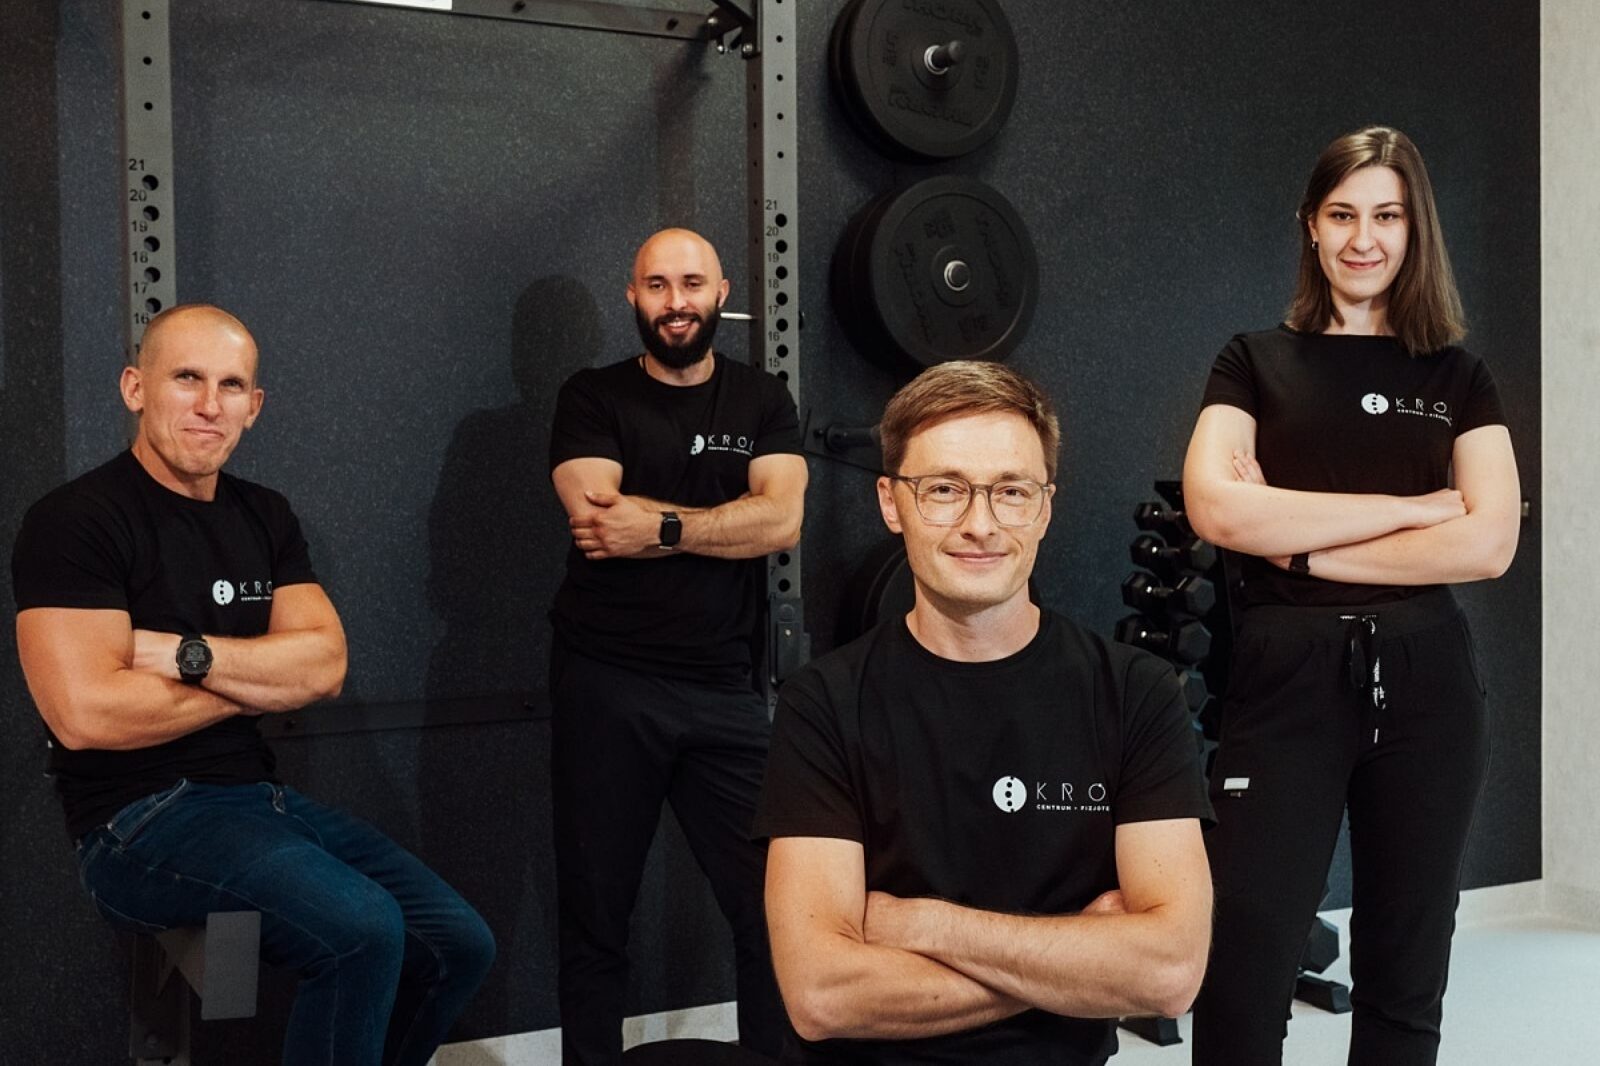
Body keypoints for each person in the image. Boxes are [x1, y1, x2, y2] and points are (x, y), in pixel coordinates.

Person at [11, 304, 495, 1066]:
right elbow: (86, 716)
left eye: (231, 385)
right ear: (136, 388)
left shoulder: (265, 515)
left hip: (257, 801)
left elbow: (323, 667)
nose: (210, 405)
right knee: (364, 928)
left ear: (255, 405)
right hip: (135, 821)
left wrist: (183, 655)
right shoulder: (75, 520)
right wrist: (261, 676)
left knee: (457, 942)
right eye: (187, 378)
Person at [755, 360, 1214, 1065]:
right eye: (944, 490)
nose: (981, 525)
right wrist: (1079, 960)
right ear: (890, 502)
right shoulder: (823, 703)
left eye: (1011, 491)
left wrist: (924, 924)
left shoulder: (1136, 693)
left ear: (1045, 508)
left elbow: (1170, 973)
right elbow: (822, 995)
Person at [1183, 126, 1521, 1066]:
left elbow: (1489, 542)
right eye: (1341, 215)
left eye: (1386, 216)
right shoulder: (1253, 361)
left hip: (1427, 687)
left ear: (1416, 230)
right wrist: (1413, 511)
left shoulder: (1458, 376)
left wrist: (1296, 545)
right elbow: (1218, 508)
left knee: (1405, 973)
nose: (1363, 239)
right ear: (1311, 225)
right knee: (1244, 967)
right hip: (1285, 684)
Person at [547, 228, 806, 1063]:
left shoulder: (762, 400)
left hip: (724, 689)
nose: (675, 302)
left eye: (691, 283)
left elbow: (782, 520)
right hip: (607, 684)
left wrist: (658, 527)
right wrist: (722, 525)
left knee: (774, 908)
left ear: (721, 292)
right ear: (632, 297)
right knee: (596, 917)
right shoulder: (592, 397)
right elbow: (598, 521)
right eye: (656, 285)